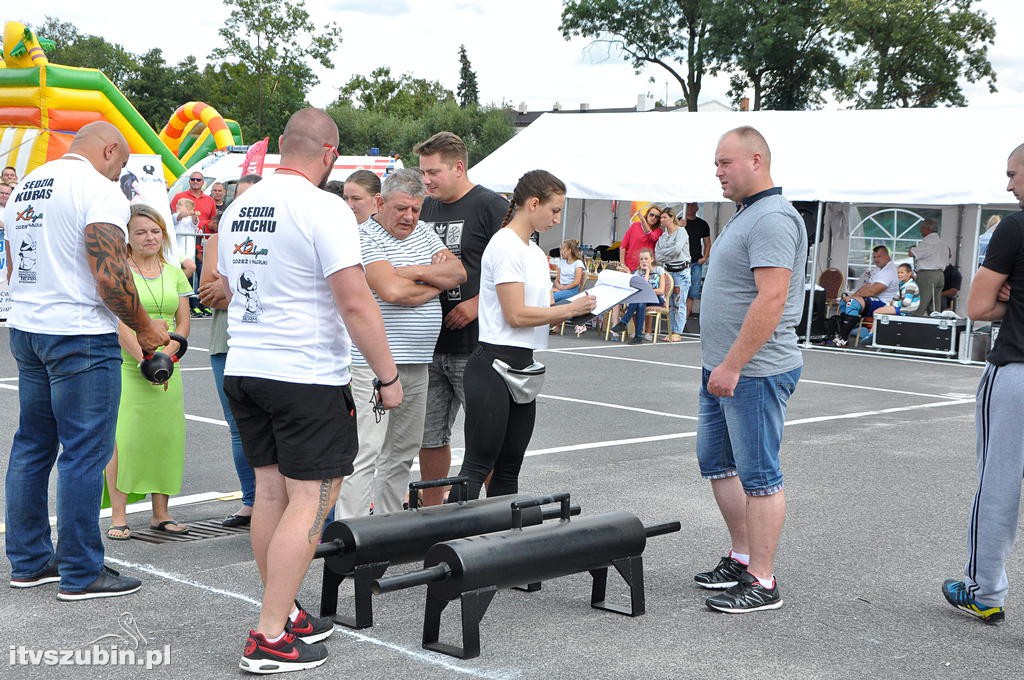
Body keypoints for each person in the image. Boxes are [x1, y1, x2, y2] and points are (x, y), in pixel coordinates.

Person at [217, 108, 402, 673]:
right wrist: (389, 377)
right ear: (328, 155)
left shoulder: (238, 206)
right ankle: (269, 636)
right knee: (311, 500)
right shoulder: (324, 207)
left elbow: (227, 286)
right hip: (304, 373)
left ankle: (286, 610)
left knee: (270, 495)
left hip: (245, 365)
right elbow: (354, 301)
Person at [4, 121, 169, 600]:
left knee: (32, 446)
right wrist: (143, 326)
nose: (120, 175)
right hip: (79, 333)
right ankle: (80, 571)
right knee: (83, 453)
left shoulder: (26, 186)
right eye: (120, 164)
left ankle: (31, 562)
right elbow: (110, 275)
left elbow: (15, 264)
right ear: (111, 149)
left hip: (28, 326)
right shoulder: (97, 190)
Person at [695, 126, 806, 614]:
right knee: (717, 463)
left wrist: (735, 365)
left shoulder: (773, 218)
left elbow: (773, 296)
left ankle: (763, 580)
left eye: (725, 162)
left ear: (756, 160)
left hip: (754, 372)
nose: (717, 171)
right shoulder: (747, 215)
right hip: (723, 369)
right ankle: (742, 557)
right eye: (717, 163)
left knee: (760, 476)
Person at [448, 170, 595, 501]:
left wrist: (578, 307)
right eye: (554, 210)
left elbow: (538, 309)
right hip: (494, 365)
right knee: (476, 466)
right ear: (532, 203)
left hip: (523, 365)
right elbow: (515, 315)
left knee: (509, 468)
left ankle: (502, 544)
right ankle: (456, 542)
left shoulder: (532, 250)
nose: (557, 219)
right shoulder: (505, 246)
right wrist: (568, 311)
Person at [338, 169, 466, 518]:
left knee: (402, 453)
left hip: (417, 361)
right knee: (366, 452)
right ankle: (352, 533)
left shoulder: (425, 233)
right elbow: (392, 293)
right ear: (379, 203)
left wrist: (408, 271)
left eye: (415, 208)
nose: (409, 216)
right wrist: (429, 275)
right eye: (400, 209)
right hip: (372, 364)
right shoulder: (363, 236)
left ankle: (388, 528)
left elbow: (458, 273)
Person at [941, 142, 1024, 625]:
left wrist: (1011, 300)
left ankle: (984, 590)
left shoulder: (1014, 227)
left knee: (998, 487)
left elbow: (976, 307)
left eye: (1013, 173)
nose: (1008, 183)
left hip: (1015, 368)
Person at [414, 131, 509, 505]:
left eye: (433, 171)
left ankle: (492, 512)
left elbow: (514, 267)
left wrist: (477, 302)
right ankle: (432, 513)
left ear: (458, 166)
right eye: (423, 172)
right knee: (430, 435)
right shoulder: (425, 208)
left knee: (485, 437)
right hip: (429, 344)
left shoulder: (491, 206)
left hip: (476, 346)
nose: (427, 180)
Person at [103, 205, 192, 540]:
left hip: (170, 367)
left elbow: (183, 322)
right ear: (127, 237)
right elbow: (118, 321)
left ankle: (161, 513)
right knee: (125, 441)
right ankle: (119, 516)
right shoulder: (120, 273)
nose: (149, 237)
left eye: (154, 230)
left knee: (166, 439)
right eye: (140, 231)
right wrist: (143, 357)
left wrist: (167, 357)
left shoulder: (174, 272)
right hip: (130, 367)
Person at [198, 173, 262, 527]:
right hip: (225, 340)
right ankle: (251, 501)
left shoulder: (275, 234)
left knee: (274, 425)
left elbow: (223, 288)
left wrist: (228, 290)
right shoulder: (219, 237)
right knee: (237, 426)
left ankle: (272, 501)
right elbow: (208, 292)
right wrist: (241, 289)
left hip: (264, 340)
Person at [825, 245, 899, 347]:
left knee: (852, 303)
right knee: (844, 301)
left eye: (879, 256)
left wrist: (853, 298)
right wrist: (852, 296)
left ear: (887, 257)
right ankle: (842, 333)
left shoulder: (889, 271)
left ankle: (844, 338)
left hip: (885, 304)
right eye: (875, 257)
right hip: (874, 300)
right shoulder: (879, 269)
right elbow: (866, 287)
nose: (876, 259)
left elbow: (873, 291)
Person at [611, 248, 669, 344]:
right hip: (644, 299)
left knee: (641, 298)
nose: (644, 261)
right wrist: (645, 272)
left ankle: (624, 322)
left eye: (646, 259)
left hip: (657, 299)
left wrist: (647, 289)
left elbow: (661, 290)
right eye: (641, 259)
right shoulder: (638, 272)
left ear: (652, 259)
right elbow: (639, 288)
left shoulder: (659, 270)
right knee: (641, 302)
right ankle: (638, 336)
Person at [655, 208, 691, 341]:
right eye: (661, 218)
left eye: (664, 217)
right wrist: (667, 252)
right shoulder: (663, 237)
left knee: (679, 301)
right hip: (668, 271)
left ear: (671, 217)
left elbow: (677, 250)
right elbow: (658, 255)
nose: (662, 220)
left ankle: (678, 332)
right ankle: (671, 330)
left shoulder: (681, 232)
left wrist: (666, 252)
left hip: (681, 271)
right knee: (669, 302)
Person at [908, 218, 951, 315]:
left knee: (919, 303)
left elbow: (912, 253)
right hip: (940, 275)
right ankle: (935, 325)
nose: (920, 231)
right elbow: (947, 261)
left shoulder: (927, 242)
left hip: (927, 275)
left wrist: (912, 248)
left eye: (922, 228)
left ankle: (912, 323)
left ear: (927, 229)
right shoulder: (943, 244)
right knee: (935, 305)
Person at [684, 202, 713, 321]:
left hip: (696, 262)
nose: (690, 208)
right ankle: (678, 322)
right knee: (678, 292)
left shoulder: (702, 224)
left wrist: (705, 257)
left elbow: (707, 243)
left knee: (692, 293)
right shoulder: (680, 222)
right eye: (688, 205)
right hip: (681, 263)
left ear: (697, 208)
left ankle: (684, 320)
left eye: (692, 205)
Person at [620, 205, 663, 272]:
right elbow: (623, 247)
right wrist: (623, 265)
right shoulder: (635, 226)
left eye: (657, 217)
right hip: (630, 267)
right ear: (647, 214)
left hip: (647, 268)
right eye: (652, 215)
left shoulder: (658, 231)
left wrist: (643, 220)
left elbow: (652, 237)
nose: (654, 217)